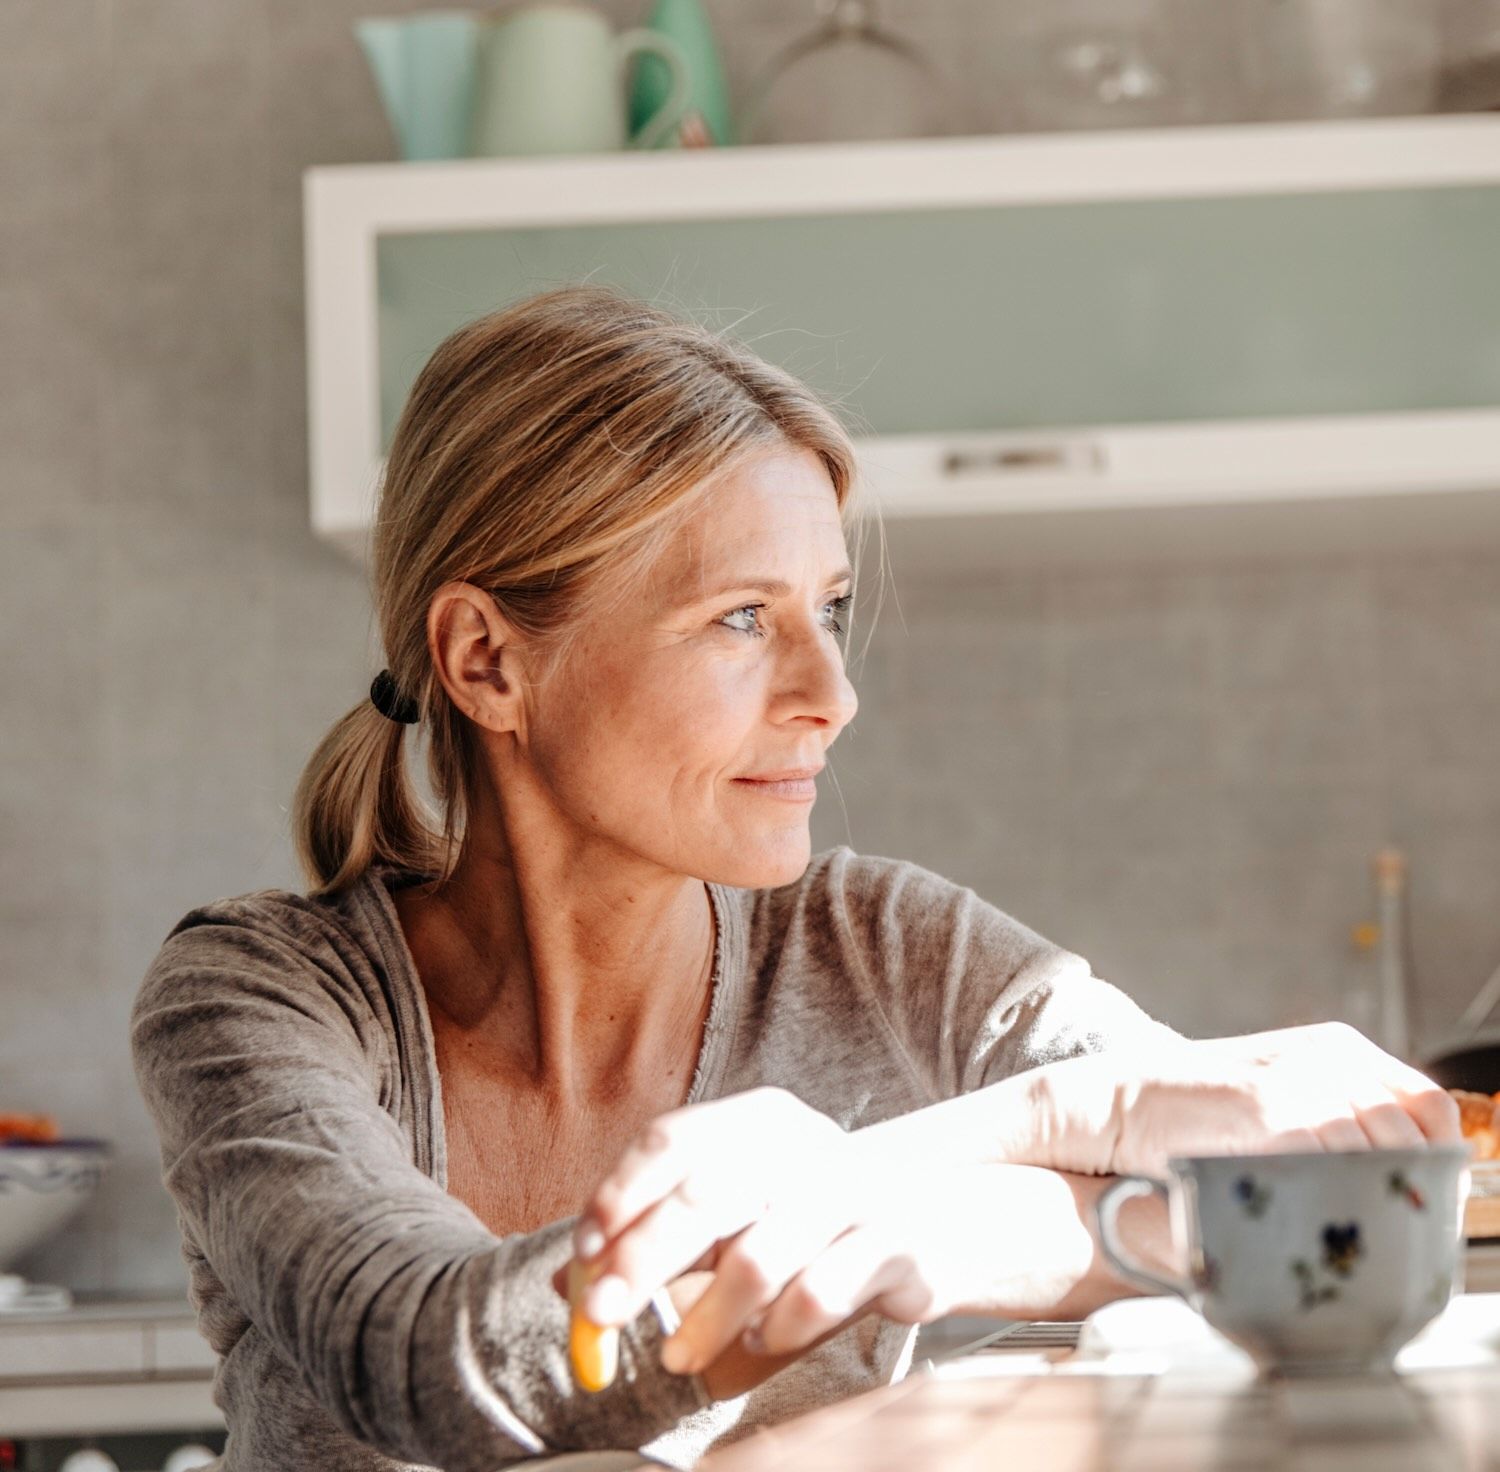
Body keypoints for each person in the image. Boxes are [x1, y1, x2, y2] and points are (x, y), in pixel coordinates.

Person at [130, 285, 1459, 1472]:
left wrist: (911, 1202)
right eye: (738, 619)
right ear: (488, 660)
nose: (834, 695)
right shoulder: (255, 997)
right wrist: (1049, 1121)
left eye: (825, 609)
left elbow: (1269, 1197)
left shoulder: (882, 944)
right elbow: (434, 1361)